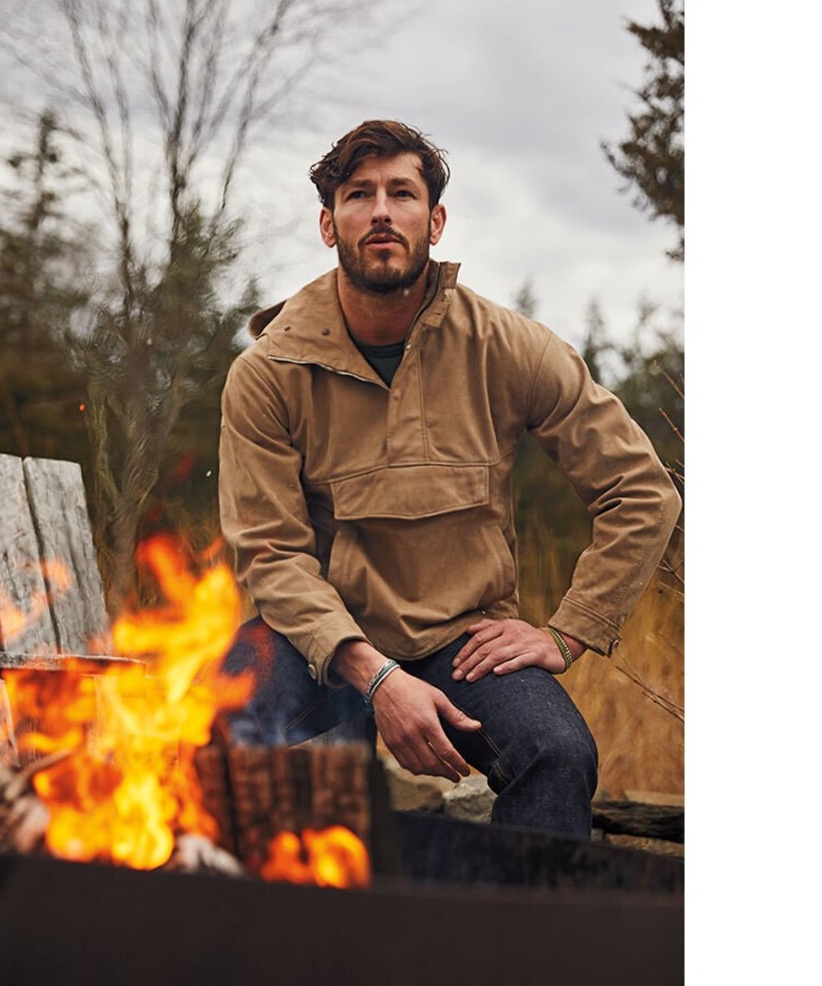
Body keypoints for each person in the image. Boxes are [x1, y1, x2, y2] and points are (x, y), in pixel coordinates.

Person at [216, 119, 681, 839]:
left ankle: (510, 948)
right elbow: (272, 556)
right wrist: (373, 676)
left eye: (402, 194)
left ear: (434, 222)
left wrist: (567, 634)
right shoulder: (268, 372)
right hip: (321, 644)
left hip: (466, 642)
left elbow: (642, 492)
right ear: (327, 223)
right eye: (358, 194)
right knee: (201, 736)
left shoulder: (507, 347)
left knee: (556, 757)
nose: (380, 212)